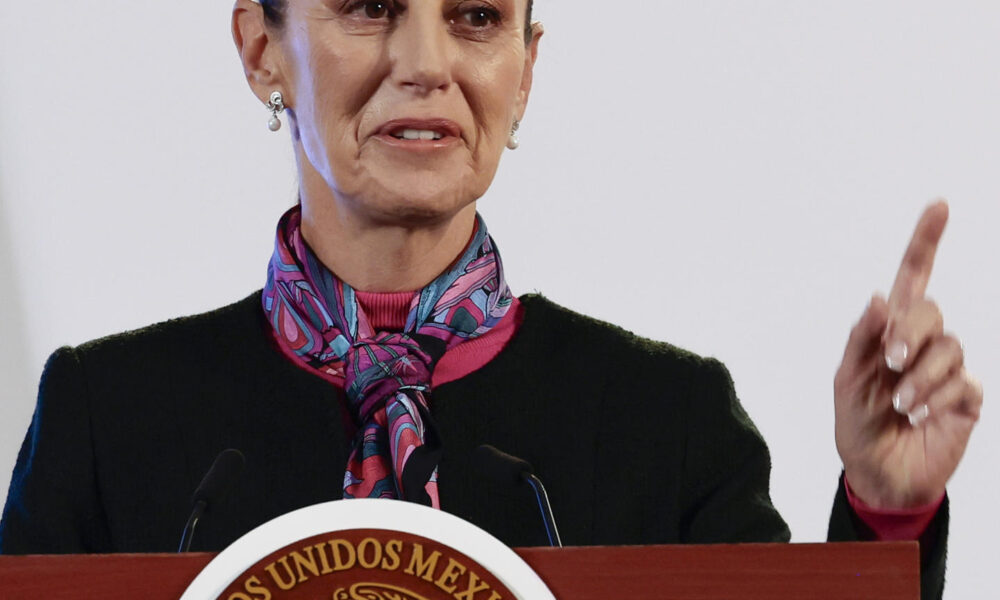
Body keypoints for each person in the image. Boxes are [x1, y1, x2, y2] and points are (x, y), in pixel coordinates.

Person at [0, 2, 982, 599]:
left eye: (476, 16)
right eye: (369, 5)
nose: (425, 62)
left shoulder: (666, 421)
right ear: (261, 49)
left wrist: (886, 514)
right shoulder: (108, 413)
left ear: (524, 70)